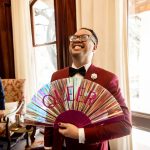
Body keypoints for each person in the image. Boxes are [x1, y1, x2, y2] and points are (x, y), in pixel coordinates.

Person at [44, 27, 132, 150]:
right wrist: (47, 145)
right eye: (74, 38)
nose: (77, 40)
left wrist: (80, 134)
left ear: (95, 46)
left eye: (84, 37)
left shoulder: (108, 79)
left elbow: (124, 125)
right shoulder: (56, 76)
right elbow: (50, 114)